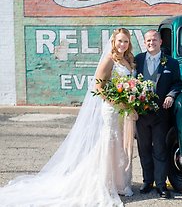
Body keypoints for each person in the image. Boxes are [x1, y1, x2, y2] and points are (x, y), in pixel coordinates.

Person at [0, 28, 135, 206]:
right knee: (109, 143)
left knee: (120, 145)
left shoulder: (128, 59)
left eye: (125, 41)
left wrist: (130, 99)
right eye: (119, 41)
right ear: (113, 42)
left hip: (123, 110)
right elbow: (98, 87)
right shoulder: (109, 59)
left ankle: (119, 182)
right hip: (111, 108)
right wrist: (117, 102)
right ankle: (103, 182)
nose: (122, 44)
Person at [134, 30, 182, 199]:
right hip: (141, 114)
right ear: (145, 42)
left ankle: (161, 185)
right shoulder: (138, 60)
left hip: (161, 115)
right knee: (144, 149)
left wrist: (171, 95)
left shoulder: (171, 63)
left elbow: (177, 83)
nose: (151, 42)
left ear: (161, 42)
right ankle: (148, 182)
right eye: (148, 40)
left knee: (160, 150)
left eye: (154, 40)